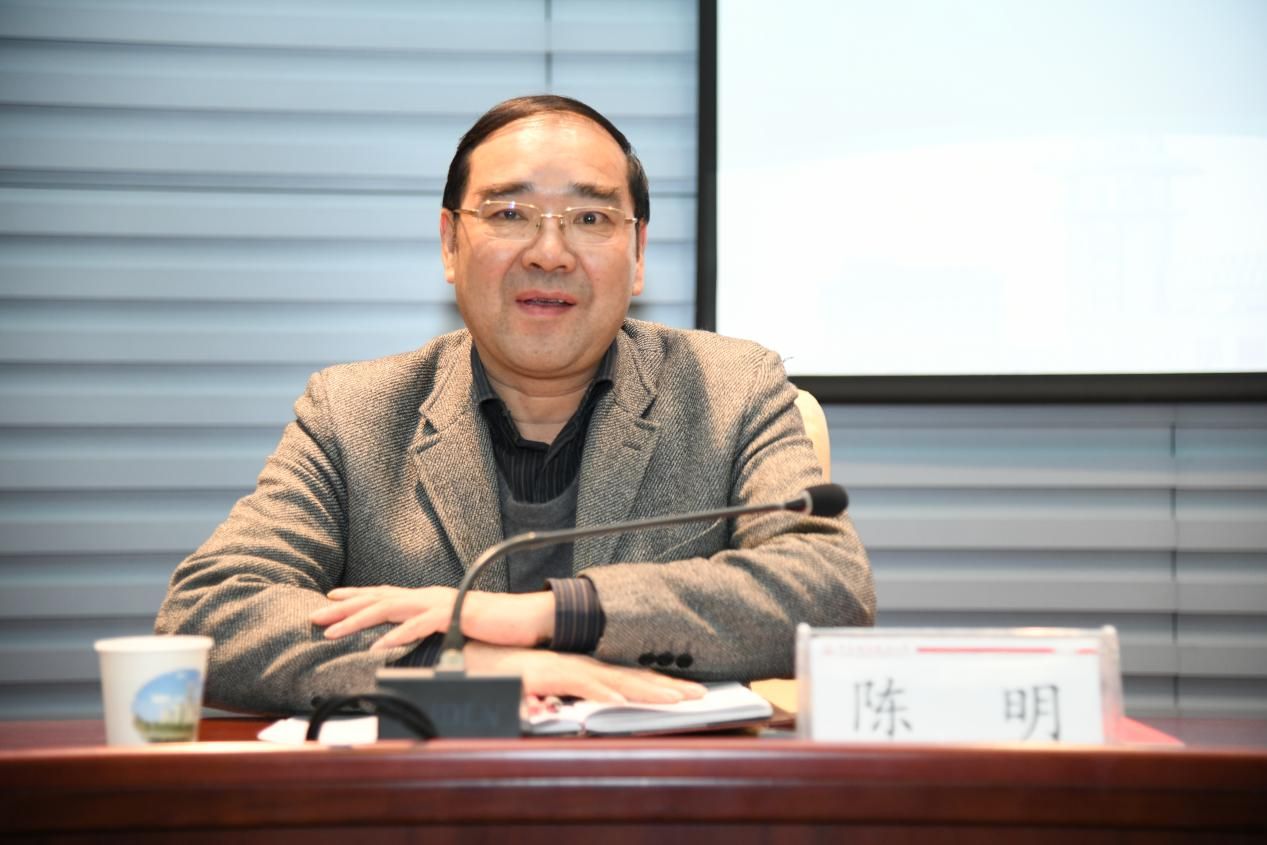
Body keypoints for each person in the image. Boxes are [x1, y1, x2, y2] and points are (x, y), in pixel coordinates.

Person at [156, 95, 875, 715]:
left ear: (638, 253)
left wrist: (543, 615)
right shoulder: (354, 413)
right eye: (508, 212)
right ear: (449, 243)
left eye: (590, 217)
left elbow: (829, 590)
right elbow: (207, 615)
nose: (549, 252)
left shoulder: (731, 387)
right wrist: (460, 662)